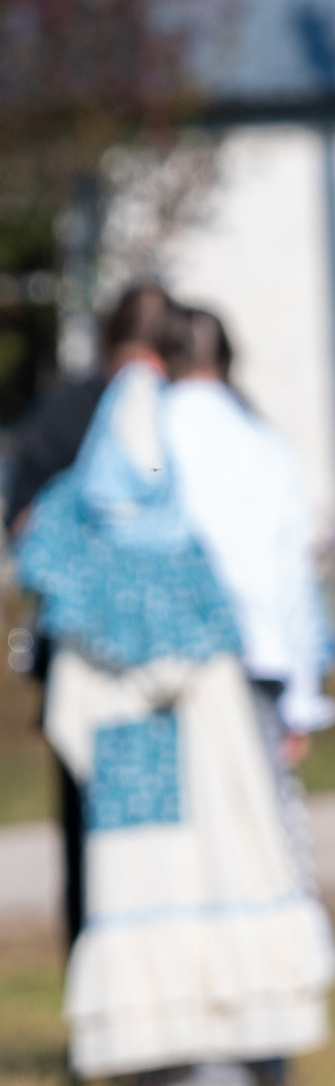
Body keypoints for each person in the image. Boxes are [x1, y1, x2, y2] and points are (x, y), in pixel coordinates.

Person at [15, 343, 335, 1086]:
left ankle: (181, 1054)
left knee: (158, 880)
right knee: (229, 865)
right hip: (206, 722)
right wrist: (301, 689)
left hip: (143, 740)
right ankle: (242, 1050)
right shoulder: (231, 471)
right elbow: (288, 570)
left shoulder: (72, 534)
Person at [4, 283, 172, 956]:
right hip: (135, 661)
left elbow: (23, 525)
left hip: (95, 657)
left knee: (99, 838)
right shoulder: (94, 411)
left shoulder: (78, 411)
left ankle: (104, 989)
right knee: (139, 839)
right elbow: (26, 522)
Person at [162, 305, 335, 911]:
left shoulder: (147, 437)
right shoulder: (263, 444)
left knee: (187, 848)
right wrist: (303, 696)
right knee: (265, 833)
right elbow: (294, 576)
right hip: (259, 662)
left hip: (169, 669)